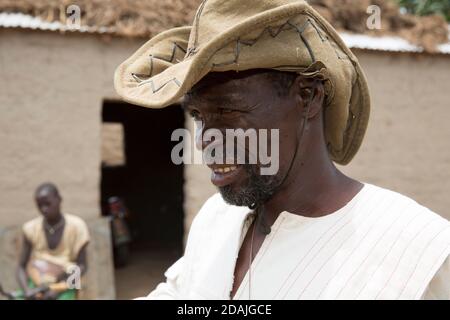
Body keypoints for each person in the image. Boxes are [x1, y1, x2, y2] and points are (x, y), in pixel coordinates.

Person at [114, 0, 449, 299]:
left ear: (308, 97)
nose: (204, 140)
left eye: (229, 112)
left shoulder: (419, 254)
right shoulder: (216, 220)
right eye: (199, 116)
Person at [16, 183, 90, 299]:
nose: (44, 209)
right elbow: (21, 266)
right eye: (40, 205)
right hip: (37, 282)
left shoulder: (77, 227)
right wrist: (27, 291)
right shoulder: (30, 228)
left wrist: (58, 290)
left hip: (66, 282)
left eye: (48, 204)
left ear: (59, 200)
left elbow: (82, 266)